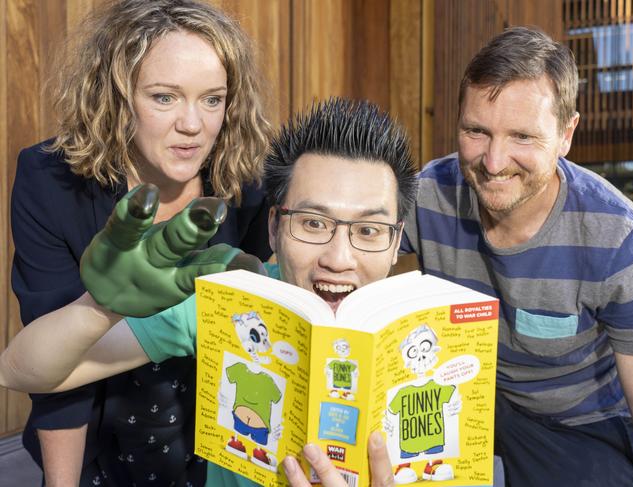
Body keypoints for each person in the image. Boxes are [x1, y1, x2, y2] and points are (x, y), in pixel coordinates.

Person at [1, 97, 414, 487]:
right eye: (312, 223)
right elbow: (19, 371)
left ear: (396, 243)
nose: (338, 258)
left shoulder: (428, 335)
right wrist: (98, 308)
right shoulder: (231, 302)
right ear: (274, 227)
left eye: (368, 230)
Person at [11, 1, 272, 485]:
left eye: (212, 100)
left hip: (225, 438)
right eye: (164, 97)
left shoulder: (251, 184)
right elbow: (53, 368)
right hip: (102, 444)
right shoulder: (51, 182)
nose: (193, 125)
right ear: (116, 97)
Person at [401, 26, 633, 487]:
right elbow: (352, 245)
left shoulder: (621, 241)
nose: (494, 162)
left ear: (565, 134)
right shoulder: (429, 195)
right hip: (459, 394)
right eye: (477, 131)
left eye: (522, 137)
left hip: (574, 423)